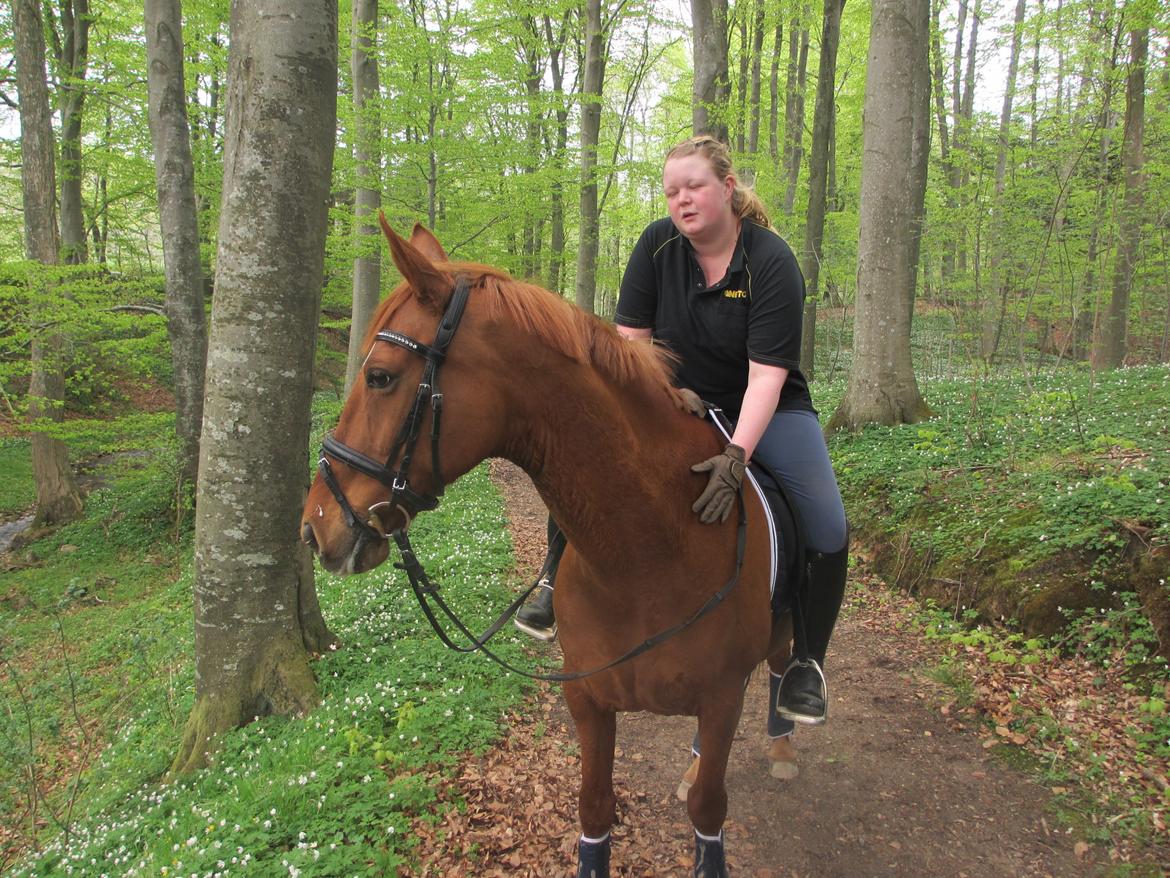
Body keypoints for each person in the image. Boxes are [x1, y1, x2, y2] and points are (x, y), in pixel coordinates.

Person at [515, 134, 848, 726]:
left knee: (826, 521)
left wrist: (738, 454)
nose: (682, 200)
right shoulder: (654, 246)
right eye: (671, 191)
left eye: (693, 186)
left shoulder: (770, 261)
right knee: (587, 466)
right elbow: (626, 353)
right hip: (679, 401)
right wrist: (664, 396)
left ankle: (806, 662)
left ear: (726, 187)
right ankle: (549, 580)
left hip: (766, 408)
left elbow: (768, 376)